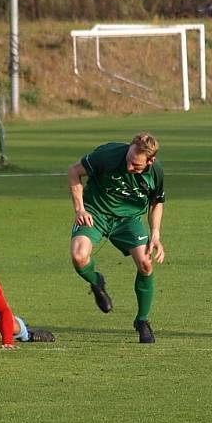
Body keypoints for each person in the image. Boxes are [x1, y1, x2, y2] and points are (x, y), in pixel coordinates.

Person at [67, 132, 165, 343]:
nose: (130, 168)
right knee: (79, 256)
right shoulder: (108, 154)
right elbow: (74, 171)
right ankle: (96, 281)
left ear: (151, 161)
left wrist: (155, 233)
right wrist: (80, 209)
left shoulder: (155, 172)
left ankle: (142, 320)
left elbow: (157, 201)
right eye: (129, 161)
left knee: (146, 264)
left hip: (128, 220)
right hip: (95, 212)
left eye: (137, 166)